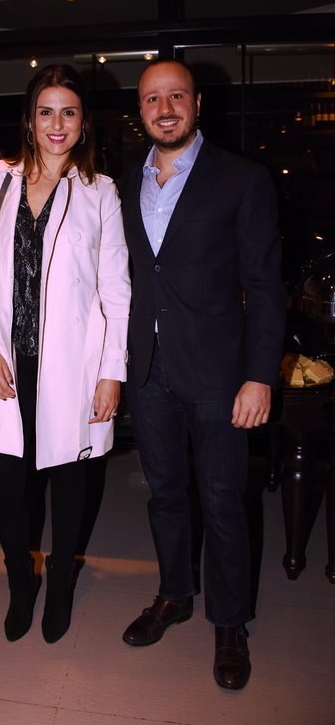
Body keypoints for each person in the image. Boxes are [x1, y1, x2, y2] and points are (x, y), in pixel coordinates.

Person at [120, 58, 285, 690]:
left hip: (220, 373)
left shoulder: (242, 179)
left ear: (196, 103)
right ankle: (174, 594)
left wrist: (259, 375)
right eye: (152, 99)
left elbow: (264, 287)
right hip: (148, 369)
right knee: (164, 494)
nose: (164, 109)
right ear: (140, 110)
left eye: (176, 96)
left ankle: (229, 621)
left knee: (222, 502)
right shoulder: (122, 183)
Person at [0, 64, 130, 644]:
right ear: (29, 120)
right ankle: (21, 580)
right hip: (6, 364)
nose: (56, 124)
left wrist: (112, 372)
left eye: (69, 112)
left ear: (84, 123)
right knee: (5, 482)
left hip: (72, 367)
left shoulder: (100, 192)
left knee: (70, 480)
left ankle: (60, 579)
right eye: (45, 112)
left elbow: (116, 290)